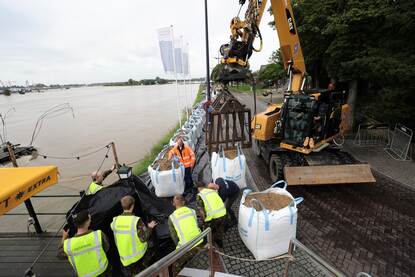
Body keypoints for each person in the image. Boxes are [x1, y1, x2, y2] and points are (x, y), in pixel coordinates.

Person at [111, 195, 157, 276]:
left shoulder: (115, 221)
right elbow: (144, 238)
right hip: (139, 258)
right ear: (133, 205)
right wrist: (150, 227)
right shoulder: (136, 221)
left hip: (125, 260)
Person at [58, 210, 111, 277]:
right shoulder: (98, 235)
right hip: (103, 272)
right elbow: (106, 248)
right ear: (88, 221)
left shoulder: (68, 244)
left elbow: (60, 255)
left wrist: (64, 237)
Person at [168, 195, 203, 276]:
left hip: (186, 246)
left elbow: (174, 236)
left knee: (175, 267)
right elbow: (195, 224)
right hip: (199, 240)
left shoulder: (172, 217)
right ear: (183, 202)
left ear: (173, 204)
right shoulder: (192, 211)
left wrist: (178, 247)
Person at [196, 182, 226, 248]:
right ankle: (220, 243)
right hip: (223, 213)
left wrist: (204, 221)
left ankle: (210, 245)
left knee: (209, 231)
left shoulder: (200, 196)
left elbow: (201, 212)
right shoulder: (212, 191)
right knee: (219, 230)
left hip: (213, 217)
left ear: (198, 188)